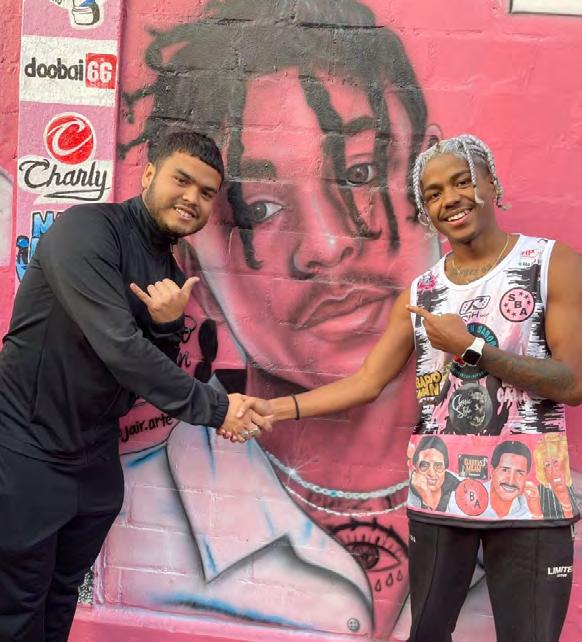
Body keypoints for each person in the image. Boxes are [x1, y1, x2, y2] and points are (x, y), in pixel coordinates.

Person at [108, 0, 440, 636]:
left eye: (361, 172)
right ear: (192, 266)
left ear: (426, 182)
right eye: (258, 210)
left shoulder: (526, 504)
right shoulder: (136, 526)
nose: (326, 246)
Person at [235, 134, 582, 642]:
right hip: (440, 492)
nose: (450, 199)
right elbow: (366, 383)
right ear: (425, 210)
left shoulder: (552, 263)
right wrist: (272, 409)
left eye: (462, 182)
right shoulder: (422, 293)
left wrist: (474, 349)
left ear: (491, 183)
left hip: (531, 494)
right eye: (434, 193)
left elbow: (572, 383)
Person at [0, 131, 269, 642]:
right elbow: (119, 346)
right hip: (25, 452)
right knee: (16, 608)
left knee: (60, 600)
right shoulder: (86, 230)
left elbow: (137, 379)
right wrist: (218, 410)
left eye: (206, 192)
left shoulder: (167, 273)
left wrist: (167, 328)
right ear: (148, 174)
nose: (192, 198)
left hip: (93, 464)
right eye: (181, 180)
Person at [409, 435, 459, 512]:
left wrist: (428, 499)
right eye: (424, 465)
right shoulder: (406, 492)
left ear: (445, 468)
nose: (431, 473)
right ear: (415, 467)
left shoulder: (460, 490)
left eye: (438, 466)